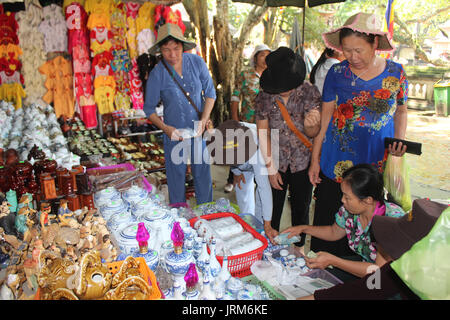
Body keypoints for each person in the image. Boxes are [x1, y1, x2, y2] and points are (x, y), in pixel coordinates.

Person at [308, 13, 409, 257]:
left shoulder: (396, 73)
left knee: (369, 228)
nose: (352, 57)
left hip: (374, 159)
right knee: (332, 215)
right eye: (347, 50)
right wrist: (315, 159)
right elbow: (325, 120)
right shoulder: (337, 73)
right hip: (336, 159)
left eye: (359, 50)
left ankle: (360, 279)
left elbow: (402, 111)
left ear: (375, 44)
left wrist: (400, 140)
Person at [300, 198, 448, 300]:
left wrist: (335, 261)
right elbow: (363, 288)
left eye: (400, 243)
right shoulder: (400, 268)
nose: (389, 250)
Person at [282, 163, 406, 282]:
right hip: (366, 266)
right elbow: (334, 231)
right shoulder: (350, 210)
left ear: (368, 200)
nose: (342, 200)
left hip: (390, 280)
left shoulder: (391, 221)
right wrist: (303, 228)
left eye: (347, 197)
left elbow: (377, 271)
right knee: (315, 275)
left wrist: (334, 261)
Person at [255, 46, 322, 248]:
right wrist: (270, 168)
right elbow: (262, 133)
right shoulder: (264, 97)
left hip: (303, 161)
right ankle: (269, 246)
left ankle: (298, 249)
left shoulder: (310, 92)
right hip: (275, 160)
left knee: (301, 207)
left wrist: (312, 126)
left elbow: (314, 134)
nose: (284, 89)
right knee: (271, 207)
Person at [144, 23, 216, 205]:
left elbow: (210, 93)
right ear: (160, 50)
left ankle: (206, 215)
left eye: (176, 48)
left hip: (197, 131)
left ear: (183, 46)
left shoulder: (197, 62)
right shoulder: (157, 74)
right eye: (167, 50)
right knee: (176, 178)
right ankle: (179, 220)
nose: (172, 55)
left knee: (203, 176)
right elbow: (149, 110)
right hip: (174, 133)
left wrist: (204, 119)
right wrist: (165, 128)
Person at [205, 120, 278, 241]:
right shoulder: (226, 138)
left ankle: (260, 230)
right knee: (242, 190)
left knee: (261, 198)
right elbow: (228, 155)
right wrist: (237, 172)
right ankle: (248, 226)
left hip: (262, 156)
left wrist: (267, 223)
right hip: (243, 160)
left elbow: (264, 188)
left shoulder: (257, 151)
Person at [223, 44, 272, 194]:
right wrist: (235, 119)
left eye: (268, 55)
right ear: (255, 57)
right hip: (246, 121)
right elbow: (235, 97)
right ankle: (232, 179)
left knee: (260, 157)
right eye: (262, 55)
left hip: (265, 125)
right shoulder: (245, 75)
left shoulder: (272, 76)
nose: (265, 58)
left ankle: (258, 185)